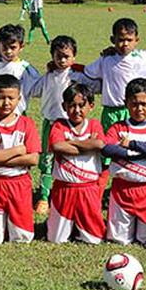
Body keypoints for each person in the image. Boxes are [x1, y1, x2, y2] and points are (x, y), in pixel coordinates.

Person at [22, 35, 97, 217]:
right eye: (58, 56)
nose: (62, 60)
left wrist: (84, 69)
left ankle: (70, 191)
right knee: (47, 160)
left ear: (74, 57)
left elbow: (97, 85)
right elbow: (35, 90)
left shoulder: (78, 76)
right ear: (52, 56)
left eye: (66, 56)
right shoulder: (49, 76)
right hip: (51, 123)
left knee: (71, 158)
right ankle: (44, 197)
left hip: (72, 126)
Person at [102, 78, 146, 247]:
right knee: (119, 241)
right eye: (134, 104)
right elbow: (107, 148)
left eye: (144, 104)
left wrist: (133, 145)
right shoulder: (118, 127)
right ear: (126, 103)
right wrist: (143, 153)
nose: (139, 108)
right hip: (122, 190)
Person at [0, 74, 41, 244]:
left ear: (19, 98)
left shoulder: (27, 124)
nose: (6, 103)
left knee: (22, 239)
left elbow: (33, 159)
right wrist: (17, 151)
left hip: (19, 183)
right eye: (0, 97)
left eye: (11, 98)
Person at [46, 83, 107, 244]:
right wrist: (87, 144)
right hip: (64, 188)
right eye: (72, 105)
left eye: (82, 105)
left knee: (94, 239)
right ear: (64, 106)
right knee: (56, 239)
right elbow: (57, 146)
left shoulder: (94, 125)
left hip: (88, 188)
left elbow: (99, 144)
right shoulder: (59, 125)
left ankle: (80, 229)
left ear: (91, 106)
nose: (77, 110)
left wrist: (71, 142)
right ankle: (69, 228)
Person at [84, 18, 146, 131]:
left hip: (132, 110)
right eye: (121, 40)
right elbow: (87, 72)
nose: (125, 44)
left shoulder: (143, 58)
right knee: (109, 140)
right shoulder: (106, 58)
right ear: (112, 39)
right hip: (111, 112)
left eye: (129, 40)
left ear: (136, 40)